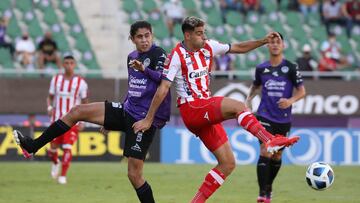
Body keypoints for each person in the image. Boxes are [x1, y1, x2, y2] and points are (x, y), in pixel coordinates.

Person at [132, 16, 300, 203]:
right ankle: (269, 140)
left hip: (203, 110)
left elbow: (238, 48)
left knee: (228, 164)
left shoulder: (209, 46)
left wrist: (262, 41)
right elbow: (163, 88)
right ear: (187, 35)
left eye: (204, 32)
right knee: (238, 106)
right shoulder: (176, 56)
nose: (204, 37)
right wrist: (148, 119)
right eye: (199, 34)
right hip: (191, 108)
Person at [13, 20, 170, 203]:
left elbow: (163, 81)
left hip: (144, 119)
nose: (144, 40)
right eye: (139, 37)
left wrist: (144, 70)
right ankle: (32, 146)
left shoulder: (159, 54)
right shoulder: (131, 57)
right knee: (77, 111)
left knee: (134, 175)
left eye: (147, 35)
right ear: (132, 39)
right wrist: (112, 120)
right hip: (127, 110)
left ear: (152, 35)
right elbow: (133, 87)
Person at [245, 33, 306, 203]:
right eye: (271, 42)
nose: (274, 45)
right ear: (267, 46)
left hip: (283, 119)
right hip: (264, 115)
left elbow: (302, 91)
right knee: (265, 149)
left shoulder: (291, 67)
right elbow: (255, 86)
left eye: (278, 42)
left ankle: (268, 188)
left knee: (277, 156)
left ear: (283, 45)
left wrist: (290, 100)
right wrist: (249, 100)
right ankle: (262, 194)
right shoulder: (261, 68)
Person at [46, 55, 89, 184]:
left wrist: (83, 121)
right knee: (52, 149)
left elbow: (85, 103)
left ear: (74, 65)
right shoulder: (56, 79)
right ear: (63, 65)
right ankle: (55, 162)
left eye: (71, 63)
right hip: (56, 120)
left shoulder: (81, 82)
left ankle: (63, 176)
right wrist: (49, 107)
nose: (69, 65)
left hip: (72, 122)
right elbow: (50, 97)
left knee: (67, 148)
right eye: (66, 63)